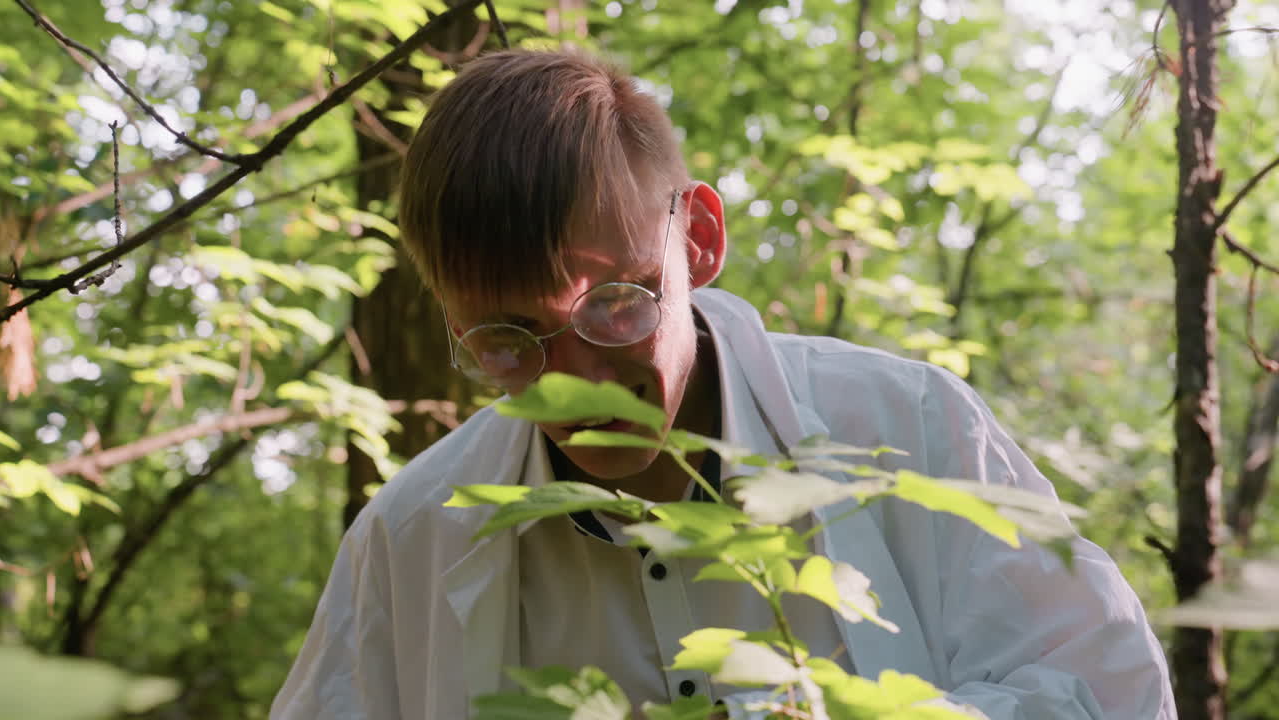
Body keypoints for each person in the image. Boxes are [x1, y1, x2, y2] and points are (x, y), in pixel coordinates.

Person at [271, 49, 1176, 719]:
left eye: (614, 306)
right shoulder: (412, 538)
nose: (575, 382)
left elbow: (1111, 692)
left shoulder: (910, 428)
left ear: (697, 238)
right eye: (508, 342)